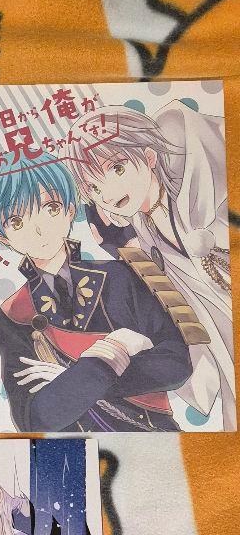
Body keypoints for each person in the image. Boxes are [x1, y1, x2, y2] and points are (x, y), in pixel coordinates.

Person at [0, 154, 192, 432]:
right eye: (16, 221)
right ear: (2, 236)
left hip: (152, 434)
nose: (38, 229)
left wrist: (73, 380)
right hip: (74, 445)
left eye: (50, 208)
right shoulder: (13, 314)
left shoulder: (119, 275)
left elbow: (176, 363)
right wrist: (113, 351)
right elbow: (33, 419)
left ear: (69, 210)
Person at [70, 101, 235, 429]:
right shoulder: (141, 236)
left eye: (117, 169)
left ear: (148, 157)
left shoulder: (199, 183)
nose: (109, 193)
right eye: (95, 187)